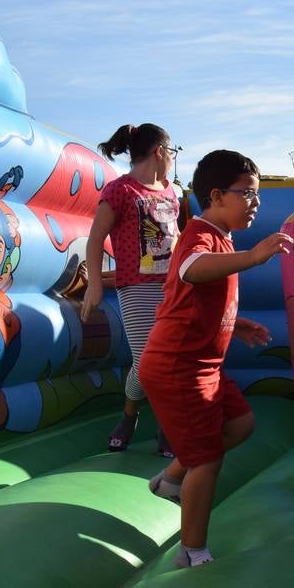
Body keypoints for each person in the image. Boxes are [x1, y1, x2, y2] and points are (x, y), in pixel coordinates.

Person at [138, 150, 292, 567]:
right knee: (207, 460)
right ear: (217, 194)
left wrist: (236, 324)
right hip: (178, 367)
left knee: (241, 424)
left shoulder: (222, 238)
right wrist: (256, 256)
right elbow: (191, 269)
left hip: (204, 367)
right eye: (248, 194)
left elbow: (197, 297)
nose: (256, 203)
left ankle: (171, 479)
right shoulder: (200, 233)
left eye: (258, 195)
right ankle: (192, 551)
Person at [83, 123, 184, 455]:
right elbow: (96, 238)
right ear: (160, 151)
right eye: (172, 152)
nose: (172, 158)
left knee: (174, 360)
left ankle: (168, 427)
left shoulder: (172, 192)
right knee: (147, 361)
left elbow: (177, 240)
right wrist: (95, 285)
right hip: (137, 288)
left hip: (172, 288)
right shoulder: (121, 191)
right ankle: (130, 414)